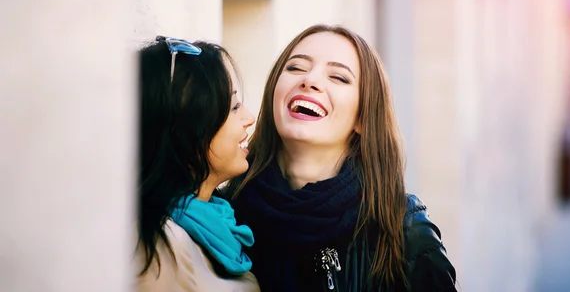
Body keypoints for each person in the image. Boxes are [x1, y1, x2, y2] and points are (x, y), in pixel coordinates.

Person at [227, 25, 457, 291]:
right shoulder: (223, 214)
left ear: (362, 117)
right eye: (296, 68)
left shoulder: (404, 230)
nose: (310, 80)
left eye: (338, 77)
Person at [136, 36, 260, 292]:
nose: (249, 118)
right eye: (234, 107)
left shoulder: (217, 216)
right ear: (187, 129)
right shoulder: (161, 246)